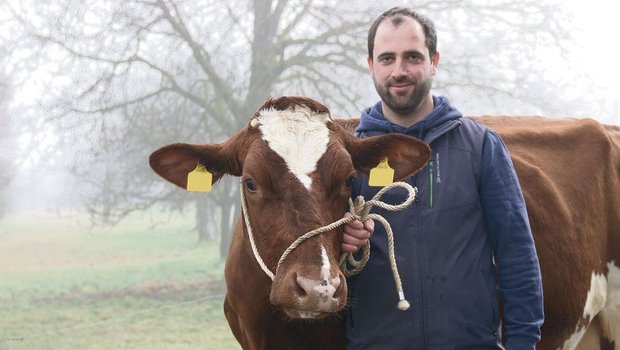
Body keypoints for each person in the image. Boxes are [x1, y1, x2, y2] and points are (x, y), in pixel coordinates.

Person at [341, 7, 544, 349]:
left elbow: (517, 255)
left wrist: (524, 342)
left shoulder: (480, 146)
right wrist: (341, 243)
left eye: (413, 57)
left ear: (434, 61)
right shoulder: (348, 156)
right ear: (371, 65)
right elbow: (323, 268)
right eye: (387, 58)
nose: (399, 70)